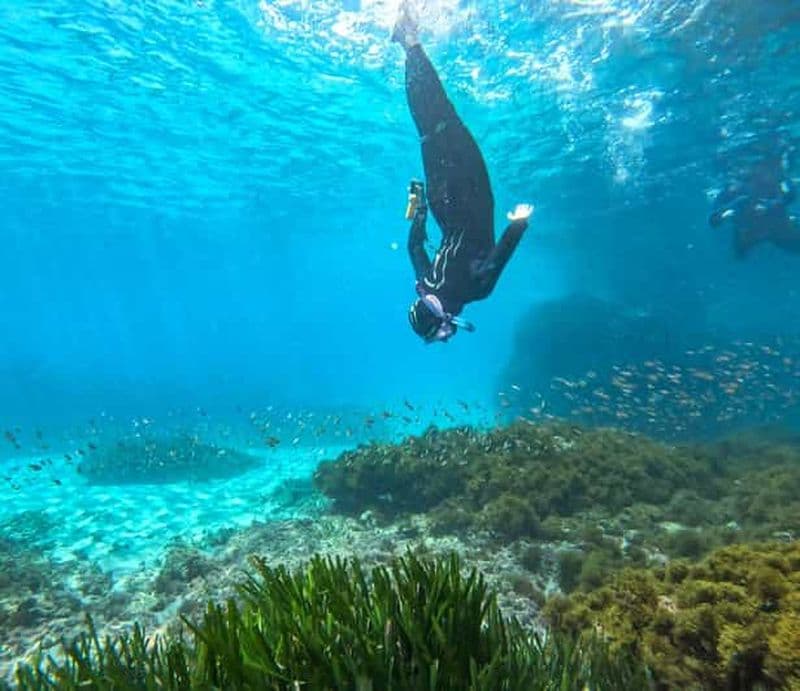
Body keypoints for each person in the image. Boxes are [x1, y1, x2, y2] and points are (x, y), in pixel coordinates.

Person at [392, 2, 533, 343]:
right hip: (442, 201)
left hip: (469, 193)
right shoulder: (424, 282)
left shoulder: (474, 292)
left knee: (445, 121)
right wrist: (421, 207)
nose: (447, 336)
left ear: (439, 322)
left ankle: (410, 42)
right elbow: (414, 247)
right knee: (429, 129)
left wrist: (519, 222)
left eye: (440, 335)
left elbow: (498, 259)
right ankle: (409, 46)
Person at [710, 149, 799, 257]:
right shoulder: (733, 187)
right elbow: (714, 218)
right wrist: (721, 215)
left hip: (776, 225)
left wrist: (769, 206)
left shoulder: (775, 179)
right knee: (739, 252)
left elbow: (789, 196)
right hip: (753, 227)